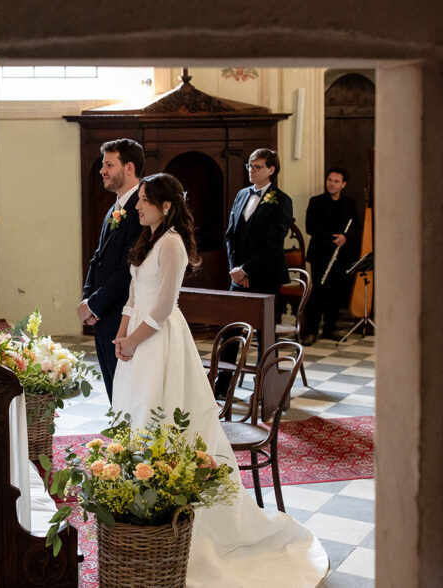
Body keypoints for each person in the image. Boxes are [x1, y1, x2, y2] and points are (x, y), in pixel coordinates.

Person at [110, 173, 327, 587]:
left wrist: (134, 340)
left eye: (144, 201)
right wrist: (122, 335)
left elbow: (164, 305)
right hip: (136, 342)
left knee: (164, 422)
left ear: (166, 206)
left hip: (158, 343)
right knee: (136, 419)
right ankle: (138, 511)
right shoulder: (147, 240)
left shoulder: (171, 242)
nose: (136, 206)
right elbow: (134, 297)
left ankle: (175, 520)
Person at [216, 148, 293, 398]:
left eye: (257, 166)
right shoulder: (241, 195)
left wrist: (246, 269)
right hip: (238, 277)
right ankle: (223, 384)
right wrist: (234, 270)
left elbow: (273, 244)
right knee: (232, 330)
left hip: (267, 276)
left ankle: (265, 389)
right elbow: (230, 236)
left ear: (272, 169)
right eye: (250, 165)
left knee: (264, 334)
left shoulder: (282, 200)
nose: (252, 170)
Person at [77, 138, 143, 403]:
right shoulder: (115, 207)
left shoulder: (141, 207)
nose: (102, 170)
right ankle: (121, 437)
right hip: (104, 312)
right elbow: (98, 258)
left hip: (124, 313)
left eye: (108, 165)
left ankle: (130, 439)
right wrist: (87, 300)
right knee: (113, 388)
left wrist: (94, 303)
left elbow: (128, 269)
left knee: (126, 389)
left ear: (128, 167)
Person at [303, 168, 359, 344]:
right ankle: (310, 331)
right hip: (321, 253)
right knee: (318, 292)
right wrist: (332, 238)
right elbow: (310, 227)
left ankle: (330, 328)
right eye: (329, 180)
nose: (331, 184)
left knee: (336, 292)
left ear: (343, 184)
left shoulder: (350, 203)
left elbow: (356, 227)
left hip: (342, 255)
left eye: (336, 181)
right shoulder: (316, 202)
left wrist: (345, 238)